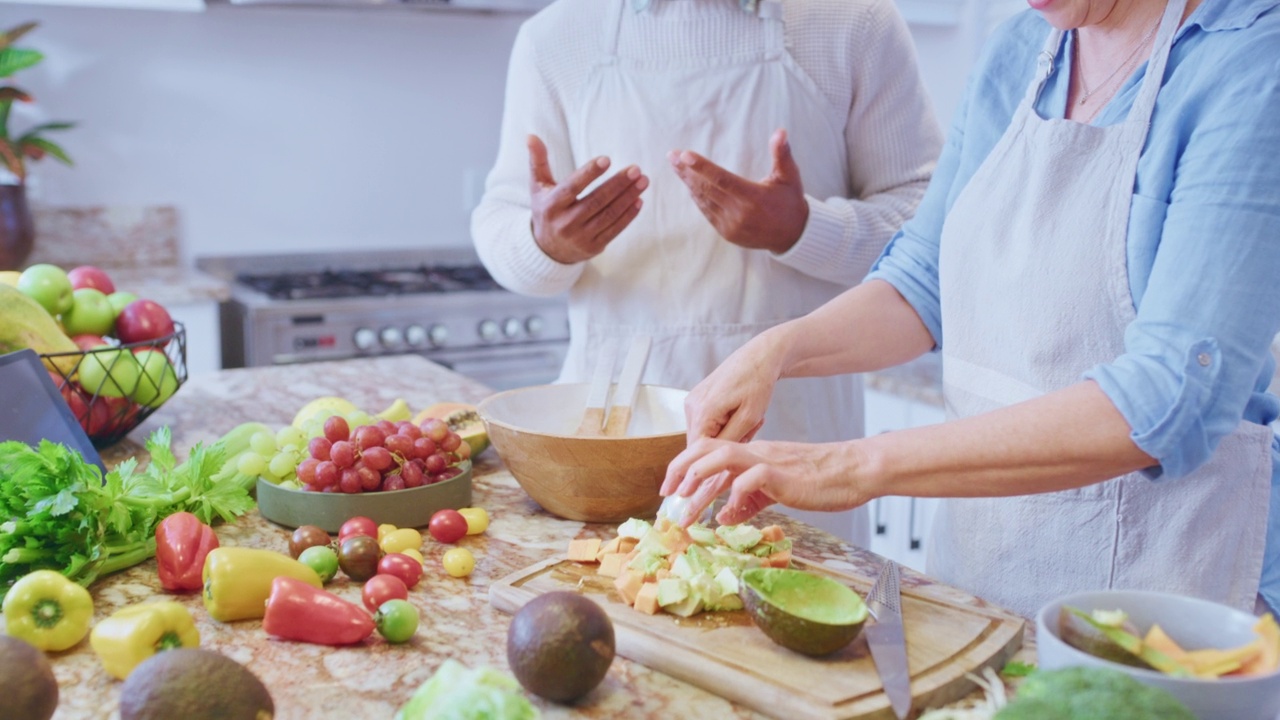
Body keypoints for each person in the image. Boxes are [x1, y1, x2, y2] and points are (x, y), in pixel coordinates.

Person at [661, 0, 1280, 618]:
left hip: (1162, 593)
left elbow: (1172, 394)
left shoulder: (1251, 63)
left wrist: (851, 464)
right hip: (985, 569)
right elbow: (923, 283)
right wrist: (778, 350)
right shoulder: (1021, 48)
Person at [471, 0, 943, 545]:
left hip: (797, 441)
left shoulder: (855, 23)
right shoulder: (557, 38)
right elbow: (499, 226)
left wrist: (804, 229)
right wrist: (545, 245)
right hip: (609, 443)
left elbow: (930, 232)